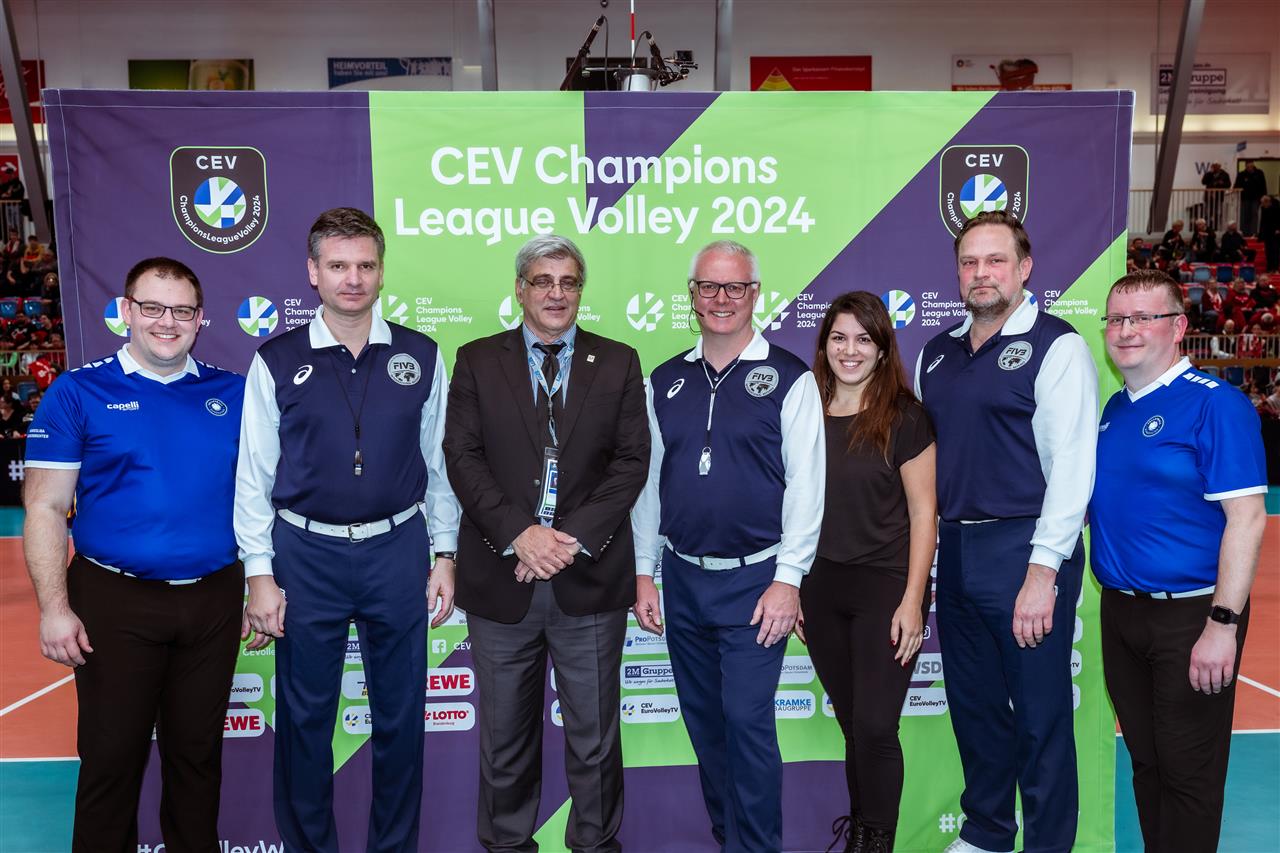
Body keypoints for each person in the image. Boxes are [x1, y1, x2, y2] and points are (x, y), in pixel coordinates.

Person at [234, 207, 460, 852]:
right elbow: (254, 475)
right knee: (304, 720)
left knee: (400, 717)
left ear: (382, 271)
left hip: (397, 550)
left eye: (365, 265)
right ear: (313, 272)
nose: (353, 279)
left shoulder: (420, 354)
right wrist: (259, 574)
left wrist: (445, 554)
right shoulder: (276, 359)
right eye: (338, 265)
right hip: (305, 555)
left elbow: (441, 465)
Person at [22, 257, 246, 851]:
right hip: (113, 600)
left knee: (197, 759)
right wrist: (54, 608)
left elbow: (260, 500)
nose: (166, 322)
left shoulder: (236, 393)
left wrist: (261, 581)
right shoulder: (78, 392)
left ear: (200, 319)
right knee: (111, 760)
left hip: (215, 599)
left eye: (181, 311)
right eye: (152, 307)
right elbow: (45, 507)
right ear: (126, 311)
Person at [443, 235, 650, 853]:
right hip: (501, 580)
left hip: (589, 582)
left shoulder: (619, 362)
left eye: (568, 282)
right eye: (542, 280)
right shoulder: (477, 360)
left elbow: (631, 462)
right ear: (520, 289)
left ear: (580, 290)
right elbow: (462, 457)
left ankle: (596, 846)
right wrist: (519, 534)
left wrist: (568, 541)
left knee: (595, 742)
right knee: (504, 742)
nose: (556, 293)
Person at [632, 240, 824, 852]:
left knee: (747, 723)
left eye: (735, 287)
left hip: (757, 582)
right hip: (683, 578)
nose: (721, 298)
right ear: (692, 295)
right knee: (707, 726)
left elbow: (807, 487)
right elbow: (648, 486)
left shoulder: (791, 379)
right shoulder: (664, 380)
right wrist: (643, 571)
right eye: (709, 287)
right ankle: (728, 840)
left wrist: (788, 579)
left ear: (754, 294)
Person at [915, 211, 1098, 853]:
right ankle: (988, 832)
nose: (981, 273)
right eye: (969, 262)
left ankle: (1049, 844)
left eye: (996, 261)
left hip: (1026, 550)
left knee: (1040, 714)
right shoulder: (936, 352)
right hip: (956, 551)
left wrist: (1043, 572)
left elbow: (1072, 467)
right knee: (975, 707)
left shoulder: (1058, 346)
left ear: (1024, 268)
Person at [1090, 269, 1266, 853]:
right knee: (1147, 765)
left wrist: (1223, 624)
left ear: (1179, 326)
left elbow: (1247, 519)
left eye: (1144, 318)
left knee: (1189, 775)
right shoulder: (1114, 409)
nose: (1127, 330)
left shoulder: (1217, 405)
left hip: (1194, 618)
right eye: (1118, 319)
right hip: (1122, 614)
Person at [804, 292, 936, 853]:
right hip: (820, 588)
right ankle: (861, 831)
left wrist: (912, 601)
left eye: (863, 338)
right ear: (824, 345)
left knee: (878, 726)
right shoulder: (804, 410)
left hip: (887, 587)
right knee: (853, 725)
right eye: (839, 337)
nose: (850, 350)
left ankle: (877, 841)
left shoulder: (906, 417)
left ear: (882, 349)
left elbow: (924, 513)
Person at [1234, 160, 1268, 237]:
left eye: (1251, 167)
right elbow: (1236, 186)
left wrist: (1264, 196)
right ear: (1246, 166)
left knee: (1254, 215)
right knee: (1244, 216)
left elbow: (1263, 185)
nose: (1250, 168)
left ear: (1253, 165)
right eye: (1248, 167)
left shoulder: (1259, 173)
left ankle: (1253, 233)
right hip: (1244, 199)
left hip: (1256, 199)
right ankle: (1244, 233)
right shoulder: (1241, 174)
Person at [1200, 163, 1231, 230]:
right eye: (1214, 166)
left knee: (1218, 213)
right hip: (1209, 197)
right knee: (1208, 213)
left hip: (1218, 197)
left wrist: (1222, 183)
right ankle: (1207, 227)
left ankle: (1216, 228)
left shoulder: (1225, 174)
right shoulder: (1209, 174)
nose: (1215, 168)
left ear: (1219, 167)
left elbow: (1228, 185)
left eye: (1216, 166)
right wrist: (1209, 174)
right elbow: (1203, 182)